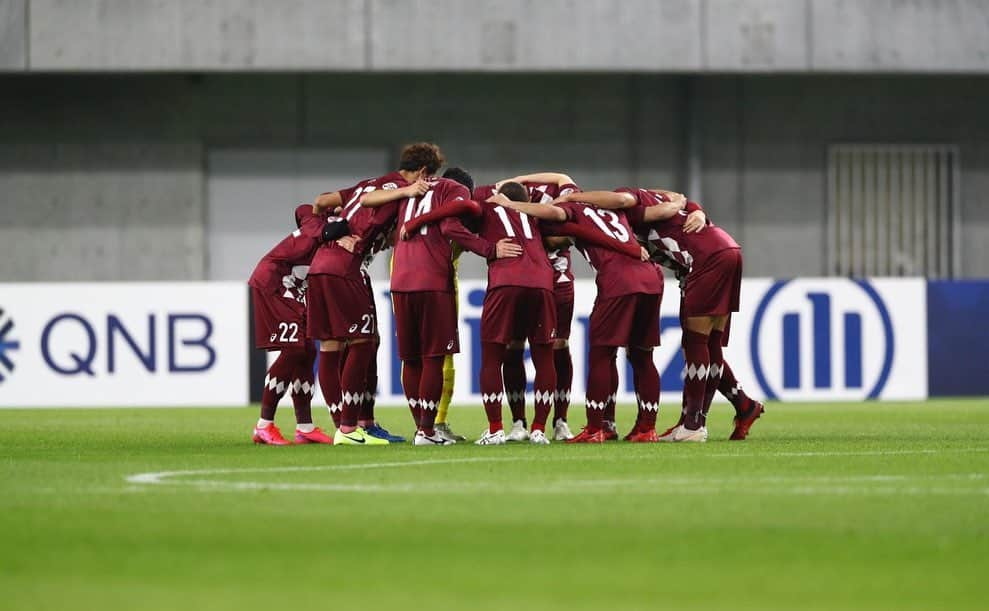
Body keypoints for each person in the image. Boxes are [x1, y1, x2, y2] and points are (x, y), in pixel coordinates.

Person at [494, 193, 679, 442]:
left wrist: (511, 204)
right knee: (642, 355)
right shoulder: (616, 209)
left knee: (601, 354)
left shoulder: (570, 210)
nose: (557, 246)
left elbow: (554, 214)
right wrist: (685, 204)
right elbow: (649, 208)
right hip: (652, 279)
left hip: (618, 280)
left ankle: (594, 429)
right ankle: (647, 428)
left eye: (549, 239)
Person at [361, 164, 523, 445]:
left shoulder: (409, 192)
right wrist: (489, 249)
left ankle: (422, 429)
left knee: (411, 359)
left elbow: (369, 207)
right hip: (434, 279)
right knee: (436, 357)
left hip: (400, 279)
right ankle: (429, 428)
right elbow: (452, 223)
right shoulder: (456, 193)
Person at [593, 187, 765, 441]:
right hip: (726, 249)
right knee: (710, 342)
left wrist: (574, 198)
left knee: (695, 343)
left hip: (705, 260)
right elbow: (679, 198)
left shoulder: (634, 214)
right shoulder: (655, 201)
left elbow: (635, 201)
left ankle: (694, 425)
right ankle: (732, 409)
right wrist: (694, 208)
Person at [306, 144, 442, 445]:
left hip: (323, 266)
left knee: (334, 344)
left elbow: (322, 202)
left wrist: (329, 231)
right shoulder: (395, 187)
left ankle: (353, 423)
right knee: (363, 341)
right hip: (344, 268)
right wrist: (406, 193)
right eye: (430, 177)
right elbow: (370, 201)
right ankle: (349, 427)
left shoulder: (368, 182)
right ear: (422, 173)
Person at [403, 180, 558, 445]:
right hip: (544, 283)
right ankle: (539, 430)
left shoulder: (485, 205)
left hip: (505, 280)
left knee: (491, 356)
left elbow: (450, 225)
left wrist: (487, 248)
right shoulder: (533, 213)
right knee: (544, 355)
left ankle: (496, 429)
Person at [478, 172, 580, 441]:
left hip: (547, 283)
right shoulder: (536, 211)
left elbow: (566, 233)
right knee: (524, 351)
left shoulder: (553, 203)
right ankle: (525, 425)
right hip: (541, 282)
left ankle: (556, 421)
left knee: (552, 349)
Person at [247, 204, 340, 445]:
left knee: (307, 350)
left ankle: (305, 427)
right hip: (273, 284)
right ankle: (263, 425)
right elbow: (310, 215)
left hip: (291, 288)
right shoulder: (318, 227)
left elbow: (304, 211)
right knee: (294, 349)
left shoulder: (314, 228)